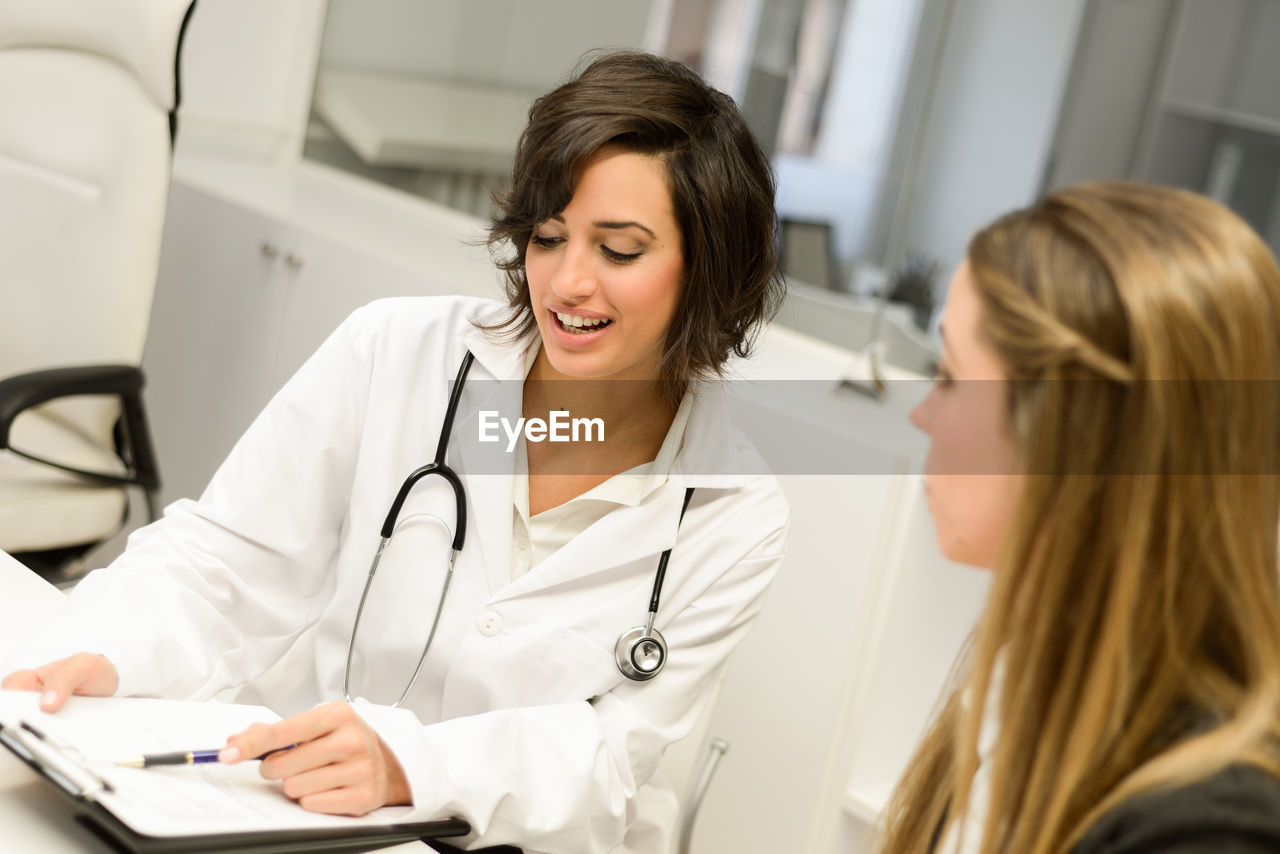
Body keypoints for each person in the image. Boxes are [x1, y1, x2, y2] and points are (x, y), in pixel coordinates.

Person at [1, 50, 789, 854]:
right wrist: (100, 646)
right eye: (547, 237)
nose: (567, 282)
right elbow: (228, 558)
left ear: (708, 272)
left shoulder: (732, 509)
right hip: (312, 819)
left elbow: (615, 760)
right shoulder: (398, 352)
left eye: (618, 250)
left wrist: (410, 763)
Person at [884, 181, 1280, 854]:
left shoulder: (1209, 829)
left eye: (949, 376)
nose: (923, 414)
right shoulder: (1027, 690)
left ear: (1070, 439)